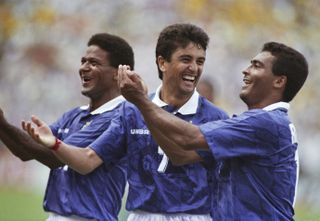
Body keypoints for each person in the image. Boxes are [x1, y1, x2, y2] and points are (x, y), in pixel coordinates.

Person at [23, 23, 229, 221]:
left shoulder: (216, 117)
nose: (194, 68)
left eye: (200, 61)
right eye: (186, 59)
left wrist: (141, 102)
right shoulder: (130, 111)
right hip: (141, 216)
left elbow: (183, 157)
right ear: (162, 62)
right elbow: (88, 161)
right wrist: (55, 144)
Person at [116, 41, 309, 221]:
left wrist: (141, 100)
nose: (245, 70)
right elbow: (181, 155)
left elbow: (188, 137)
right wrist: (143, 104)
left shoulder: (267, 123)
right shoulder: (259, 124)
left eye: (257, 66)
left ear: (279, 81)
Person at [0, 33, 135, 221]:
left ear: (118, 73)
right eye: (83, 61)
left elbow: (55, 158)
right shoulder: (73, 115)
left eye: (94, 63)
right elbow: (27, 151)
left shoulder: (119, 116)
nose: (84, 68)